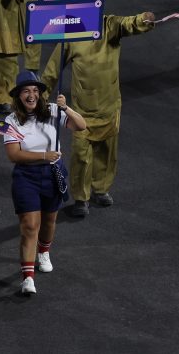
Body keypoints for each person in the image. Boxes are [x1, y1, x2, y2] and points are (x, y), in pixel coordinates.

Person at [40, 12, 155, 217]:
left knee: (107, 152)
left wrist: (144, 18)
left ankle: (101, 189)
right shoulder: (71, 35)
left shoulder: (110, 26)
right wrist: (40, 97)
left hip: (109, 106)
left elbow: (129, 24)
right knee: (81, 156)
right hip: (82, 112)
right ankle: (81, 198)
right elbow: (52, 70)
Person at [3, 71, 86, 295]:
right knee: (30, 226)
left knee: (49, 221)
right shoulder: (11, 120)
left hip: (52, 174)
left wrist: (65, 108)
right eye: (26, 91)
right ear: (18, 95)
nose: (31, 95)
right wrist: (43, 156)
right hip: (26, 177)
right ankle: (27, 277)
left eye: (35, 91)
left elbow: (81, 126)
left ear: (40, 94)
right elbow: (14, 155)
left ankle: (44, 252)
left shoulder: (52, 109)